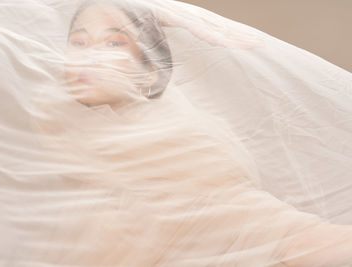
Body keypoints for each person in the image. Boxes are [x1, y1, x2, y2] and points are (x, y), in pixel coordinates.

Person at [52, 1, 352, 266]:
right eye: (78, 42)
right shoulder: (53, 113)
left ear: (149, 73)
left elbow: (281, 234)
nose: (89, 55)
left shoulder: (175, 141)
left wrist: (155, 12)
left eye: (114, 43)